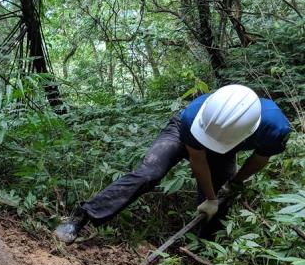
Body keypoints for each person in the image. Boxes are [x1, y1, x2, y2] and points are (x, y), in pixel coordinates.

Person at [54, 84, 292, 243]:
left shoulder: (275, 128)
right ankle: (82, 217)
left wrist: (233, 185)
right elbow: (198, 161)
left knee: (222, 196)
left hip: (226, 148)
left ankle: (204, 247)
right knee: (149, 173)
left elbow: (258, 160)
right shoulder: (193, 115)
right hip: (184, 133)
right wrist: (209, 198)